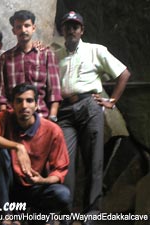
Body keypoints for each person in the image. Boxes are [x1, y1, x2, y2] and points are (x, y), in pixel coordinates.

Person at [56, 11, 131, 219]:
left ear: (82, 30)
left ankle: (92, 214)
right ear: (62, 30)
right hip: (64, 111)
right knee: (64, 163)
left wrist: (112, 101)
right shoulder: (56, 55)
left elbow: (124, 73)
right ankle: (66, 214)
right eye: (67, 27)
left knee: (94, 161)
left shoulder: (95, 50)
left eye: (75, 27)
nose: (71, 30)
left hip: (89, 105)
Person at [0, 83, 70, 225]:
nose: (24, 106)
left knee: (62, 194)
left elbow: (60, 170)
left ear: (36, 105)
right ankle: (7, 216)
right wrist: (18, 147)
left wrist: (42, 180)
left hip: (34, 186)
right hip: (8, 185)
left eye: (29, 101)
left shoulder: (52, 130)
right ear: (12, 105)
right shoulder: (5, 117)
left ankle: (32, 216)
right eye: (19, 101)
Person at [0, 10, 62, 121]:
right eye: (19, 27)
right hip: (13, 118)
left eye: (27, 26)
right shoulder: (6, 58)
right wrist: (4, 120)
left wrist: (52, 117)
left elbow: (54, 91)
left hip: (41, 117)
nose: (23, 30)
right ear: (14, 31)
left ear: (33, 28)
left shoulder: (46, 54)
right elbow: (1, 94)